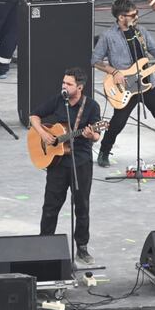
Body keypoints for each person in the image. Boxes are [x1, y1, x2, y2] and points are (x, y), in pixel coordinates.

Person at [92, 0, 155, 168]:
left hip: (147, 83)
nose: (136, 16)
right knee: (118, 122)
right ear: (121, 17)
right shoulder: (108, 36)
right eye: (132, 14)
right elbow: (95, 60)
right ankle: (104, 151)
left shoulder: (141, 32)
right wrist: (114, 72)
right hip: (125, 87)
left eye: (136, 13)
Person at [30, 67, 101, 265]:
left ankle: (82, 248)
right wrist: (44, 134)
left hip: (81, 163)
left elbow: (96, 135)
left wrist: (91, 134)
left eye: (68, 84)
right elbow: (34, 116)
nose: (64, 86)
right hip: (58, 164)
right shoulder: (57, 100)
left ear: (79, 87)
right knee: (51, 205)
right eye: (63, 83)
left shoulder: (91, 107)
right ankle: (45, 243)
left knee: (82, 206)